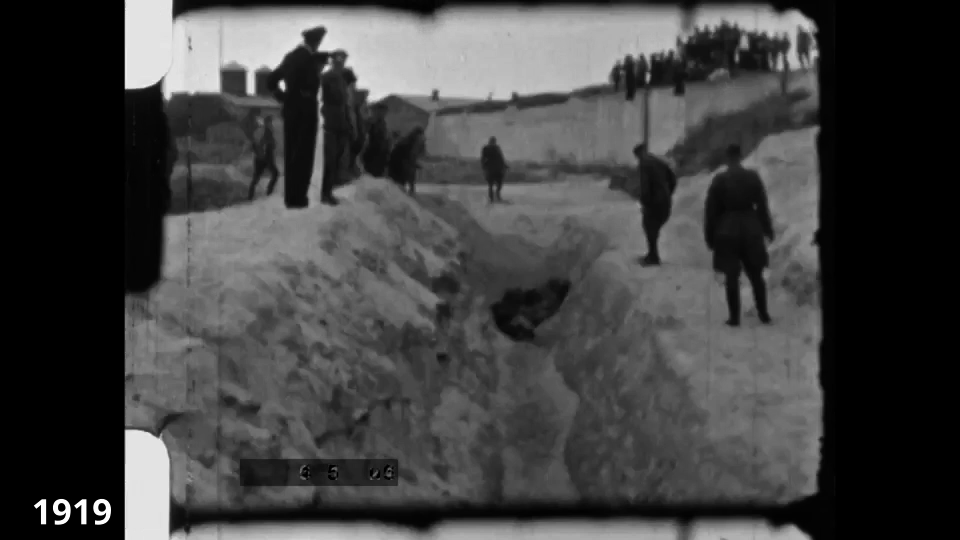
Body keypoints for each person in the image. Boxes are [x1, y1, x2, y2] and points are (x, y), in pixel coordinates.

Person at [704, 144, 775, 327]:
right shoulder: (752, 177)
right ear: (740, 157)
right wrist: (767, 229)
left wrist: (710, 236)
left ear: (727, 158)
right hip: (751, 228)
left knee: (731, 276)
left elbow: (711, 212)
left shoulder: (719, 180)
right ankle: (764, 314)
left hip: (727, 230)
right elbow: (762, 206)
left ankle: (734, 318)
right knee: (756, 274)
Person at [266, 25, 327, 209]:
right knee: (304, 155)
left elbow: (271, 80)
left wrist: (284, 98)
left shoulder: (290, 57)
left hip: (291, 111)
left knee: (292, 153)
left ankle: (291, 198)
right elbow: (309, 85)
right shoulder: (309, 59)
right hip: (306, 111)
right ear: (316, 42)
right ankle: (299, 198)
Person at [318, 49, 355, 204]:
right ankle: (325, 194)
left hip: (341, 123)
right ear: (333, 61)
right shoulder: (327, 77)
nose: (340, 63)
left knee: (339, 158)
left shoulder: (341, 79)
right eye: (337, 60)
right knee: (330, 160)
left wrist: (349, 124)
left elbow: (346, 103)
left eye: (343, 60)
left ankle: (330, 190)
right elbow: (325, 99)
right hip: (331, 124)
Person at [632, 143, 677, 266]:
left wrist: (645, 202)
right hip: (665, 201)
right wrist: (668, 193)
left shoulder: (644, 164)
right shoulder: (659, 162)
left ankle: (653, 257)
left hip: (654, 203)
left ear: (638, 154)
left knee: (649, 226)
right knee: (653, 227)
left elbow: (645, 187)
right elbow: (673, 179)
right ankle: (653, 255)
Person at [247, 115, 280, 201]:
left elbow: (254, 145)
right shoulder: (267, 132)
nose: (272, 124)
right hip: (265, 159)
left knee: (257, 177)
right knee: (275, 174)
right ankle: (269, 192)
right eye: (271, 122)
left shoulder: (261, 132)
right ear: (267, 123)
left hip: (260, 158)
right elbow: (269, 145)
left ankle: (251, 196)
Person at [388, 127, 426, 196]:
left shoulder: (412, 144)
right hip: (397, 169)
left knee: (411, 169)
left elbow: (411, 160)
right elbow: (407, 161)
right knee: (409, 170)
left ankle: (409, 189)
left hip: (400, 168)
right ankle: (407, 189)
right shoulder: (406, 144)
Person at [362, 102, 391, 177]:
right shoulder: (370, 122)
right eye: (382, 111)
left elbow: (384, 137)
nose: (384, 113)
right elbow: (365, 135)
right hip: (372, 153)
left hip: (381, 154)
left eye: (385, 112)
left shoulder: (383, 123)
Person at [480, 136, 508, 203]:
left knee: (497, 184)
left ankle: (496, 196)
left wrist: (505, 165)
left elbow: (501, 158)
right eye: (493, 141)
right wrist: (484, 167)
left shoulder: (496, 148)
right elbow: (483, 158)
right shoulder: (486, 148)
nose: (494, 142)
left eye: (494, 141)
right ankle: (492, 198)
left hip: (496, 169)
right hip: (492, 169)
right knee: (491, 185)